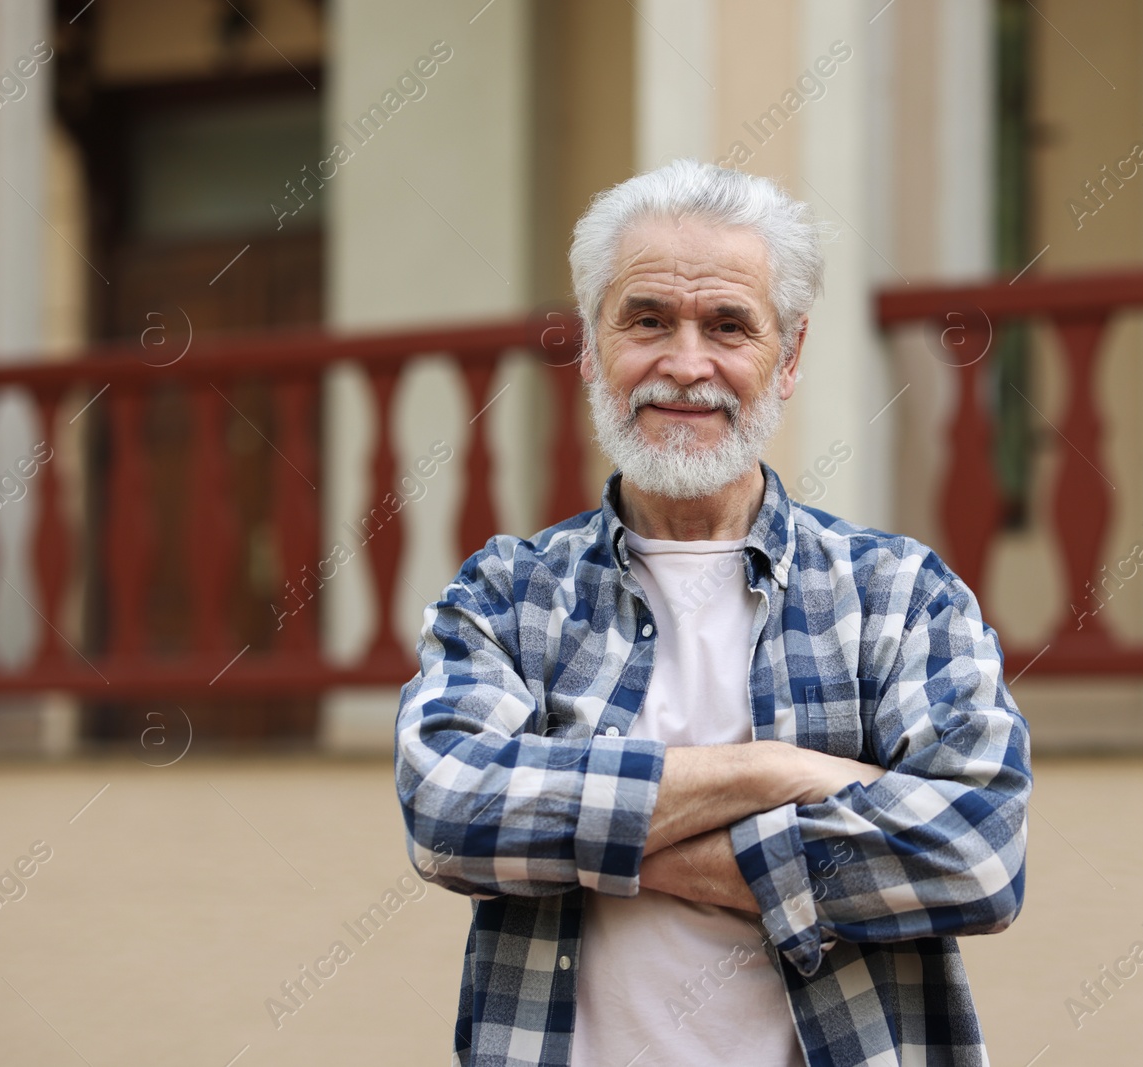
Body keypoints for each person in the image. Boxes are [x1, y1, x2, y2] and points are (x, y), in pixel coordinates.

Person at [395, 159, 1031, 1067]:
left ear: (791, 355)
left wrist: (596, 845)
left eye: (728, 325)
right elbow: (448, 811)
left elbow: (978, 852)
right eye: (647, 319)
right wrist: (778, 770)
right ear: (590, 345)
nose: (685, 364)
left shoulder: (900, 594)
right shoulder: (508, 594)